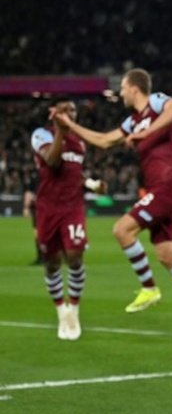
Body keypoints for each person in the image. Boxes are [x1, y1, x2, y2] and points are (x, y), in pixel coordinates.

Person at [55, 68, 172, 335]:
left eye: (122, 88)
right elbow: (105, 140)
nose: (120, 93)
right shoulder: (132, 122)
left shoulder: (155, 103)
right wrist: (69, 125)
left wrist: (145, 134)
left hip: (169, 184)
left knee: (122, 230)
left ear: (134, 88)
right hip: (159, 187)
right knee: (167, 256)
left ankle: (149, 288)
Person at [30, 100, 102, 340]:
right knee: (52, 263)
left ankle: (73, 310)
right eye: (66, 110)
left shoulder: (80, 143)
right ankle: (61, 309)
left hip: (73, 207)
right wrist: (60, 130)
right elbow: (52, 161)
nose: (71, 114)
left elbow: (74, 173)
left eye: (73, 111)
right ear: (55, 114)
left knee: (74, 256)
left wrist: (92, 185)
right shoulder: (41, 135)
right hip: (48, 208)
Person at [21, 174, 43, 265]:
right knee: (37, 233)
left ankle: (57, 257)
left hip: (51, 208)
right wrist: (26, 208)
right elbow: (29, 191)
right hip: (38, 208)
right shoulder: (35, 176)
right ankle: (40, 257)